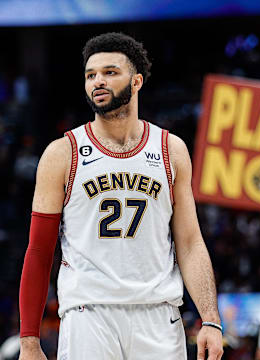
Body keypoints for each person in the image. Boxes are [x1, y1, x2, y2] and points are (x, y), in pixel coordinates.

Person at [18, 32, 224, 360]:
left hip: (159, 314)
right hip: (89, 314)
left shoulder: (171, 150)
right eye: (90, 75)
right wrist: (29, 341)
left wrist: (211, 319)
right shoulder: (62, 154)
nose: (98, 81)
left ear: (137, 81)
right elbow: (40, 249)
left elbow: (189, 242)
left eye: (110, 72)